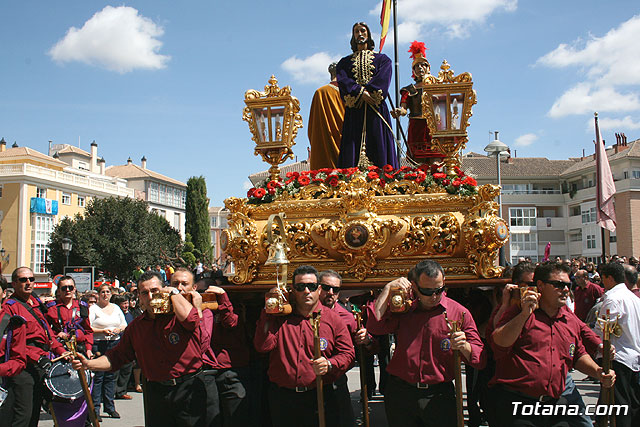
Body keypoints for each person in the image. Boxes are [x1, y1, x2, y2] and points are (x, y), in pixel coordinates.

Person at [72, 270, 215, 427]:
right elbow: (117, 356)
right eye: (145, 293)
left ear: (164, 290)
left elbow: (191, 320)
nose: (151, 297)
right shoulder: (136, 327)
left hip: (188, 389)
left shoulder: (178, 316)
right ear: (139, 296)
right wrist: (89, 364)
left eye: (155, 291)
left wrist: (174, 293)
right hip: (156, 393)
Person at [491, 261, 615, 427]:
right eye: (558, 285)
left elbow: (577, 354)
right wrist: (524, 315)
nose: (565, 289)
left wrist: (598, 372)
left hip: (557, 404)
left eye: (567, 285)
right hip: (519, 404)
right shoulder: (519, 311)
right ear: (540, 285)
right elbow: (499, 342)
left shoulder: (568, 319)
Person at [367, 260, 485, 427]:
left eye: (439, 290)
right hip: (401, 393)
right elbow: (375, 326)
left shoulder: (459, 313)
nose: (434, 296)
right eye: (427, 291)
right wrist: (387, 290)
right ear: (414, 286)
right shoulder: (403, 309)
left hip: (439, 395)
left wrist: (464, 346)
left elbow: (480, 358)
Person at [254, 265, 355, 427]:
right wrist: (269, 310)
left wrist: (329, 364)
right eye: (301, 287)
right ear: (293, 289)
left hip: (320, 396)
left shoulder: (333, 319)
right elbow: (263, 346)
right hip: (284, 399)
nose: (307, 291)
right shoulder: (279, 319)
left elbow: (348, 354)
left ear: (319, 289)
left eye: (312, 286)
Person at [0, 267, 69, 427]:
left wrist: (61, 351)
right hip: (23, 366)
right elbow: (16, 343)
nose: (29, 283)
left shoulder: (35, 303)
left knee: (34, 413)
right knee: (23, 415)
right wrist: (37, 358)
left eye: (31, 279)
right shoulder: (10, 307)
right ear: (14, 283)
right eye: (23, 280)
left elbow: (47, 334)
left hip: (39, 365)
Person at [336, 22, 398, 169]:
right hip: (355, 110)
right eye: (356, 31)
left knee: (378, 142)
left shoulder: (382, 60)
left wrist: (371, 92)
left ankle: (385, 179)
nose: (360, 34)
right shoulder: (344, 63)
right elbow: (343, 80)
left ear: (368, 34)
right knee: (352, 143)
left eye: (363, 30)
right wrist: (360, 92)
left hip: (375, 109)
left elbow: (383, 78)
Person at [318, 270, 368, 427]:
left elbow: (366, 345)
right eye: (326, 287)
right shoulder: (306, 312)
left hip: (336, 378)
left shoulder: (346, 316)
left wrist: (366, 339)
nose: (330, 293)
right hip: (310, 379)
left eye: (335, 289)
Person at [597, 262, 640, 427]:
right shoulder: (633, 298)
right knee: (632, 401)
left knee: (620, 404)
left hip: (619, 356)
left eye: (603, 278)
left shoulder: (613, 297)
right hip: (633, 354)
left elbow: (604, 328)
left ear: (608, 278)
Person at [391, 41, 443, 164]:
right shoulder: (409, 90)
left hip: (435, 127)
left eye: (422, 65)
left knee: (436, 162)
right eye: (416, 66)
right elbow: (404, 108)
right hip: (417, 127)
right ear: (413, 71)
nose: (420, 68)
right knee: (420, 164)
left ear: (428, 68)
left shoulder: (437, 87)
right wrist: (399, 111)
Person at [88, 283, 126, 420]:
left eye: (107, 292)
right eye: (102, 292)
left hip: (114, 343)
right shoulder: (93, 309)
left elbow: (124, 324)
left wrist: (118, 329)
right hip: (99, 344)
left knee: (111, 376)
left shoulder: (115, 308)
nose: (105, 295)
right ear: (98, 294)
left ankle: (110, 407)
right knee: (98, 377)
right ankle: (95, 410)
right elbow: (88, 327)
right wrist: (102, 331)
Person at [308, 62, 345, 170]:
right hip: (347, 143)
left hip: (325, 144)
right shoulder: (350, 91)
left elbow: (312, 127)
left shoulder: (320, 92)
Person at [45, 276, 93, 358]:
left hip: (80, 349)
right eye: (64, 288)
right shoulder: (51, 308)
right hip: (60, 350)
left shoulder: (82, 307)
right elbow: (46, 332)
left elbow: (88, 330)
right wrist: (57, 336)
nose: (67, 290)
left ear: (74, 289)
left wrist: (88, 349)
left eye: (70, 287)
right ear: (59, 291)